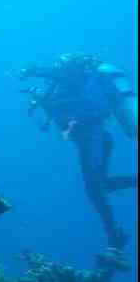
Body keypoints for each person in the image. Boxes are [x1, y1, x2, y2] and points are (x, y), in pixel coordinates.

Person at [22, 53, 138, 250]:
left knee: (95, 188)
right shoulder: (60, 92)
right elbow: (58, 113)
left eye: (61, 65)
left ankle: (114, 235)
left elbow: (65, 81)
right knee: (98, 186)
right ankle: (114, 233)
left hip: (94, 138)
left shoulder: (73, 78)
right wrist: (40, 100)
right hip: (92, 140)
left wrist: (33, 70)